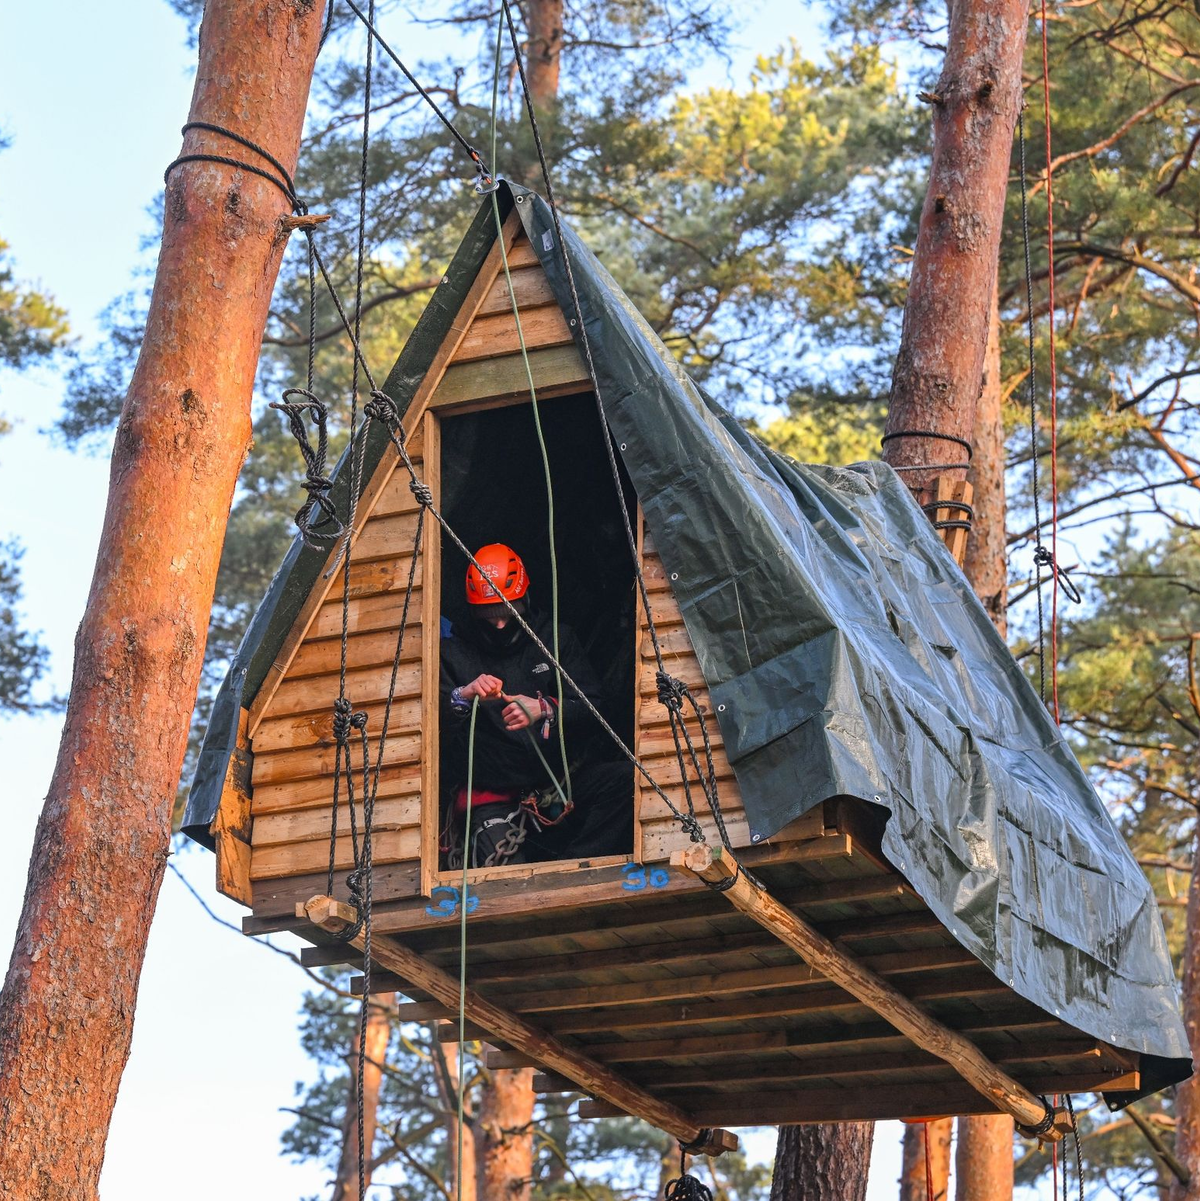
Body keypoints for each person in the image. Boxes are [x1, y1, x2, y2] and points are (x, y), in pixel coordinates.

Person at [439, 543, 633, 868]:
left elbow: (595, 709)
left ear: (525, 598)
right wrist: (463, 695)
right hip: (494, 795)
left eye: (508, 610)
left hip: (561, 783)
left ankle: (574, 872)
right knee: (502, 874)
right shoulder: (452, 655)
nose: (499, 625)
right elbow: (432, 729)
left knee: (627, 781)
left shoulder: (555, 640)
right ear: (473, 610)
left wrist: (546, 709)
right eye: (488, 614)